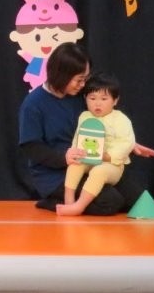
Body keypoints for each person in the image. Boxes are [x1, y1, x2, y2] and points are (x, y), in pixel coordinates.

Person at [18, 42, 154, 215]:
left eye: (85, 78)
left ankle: (77, 201)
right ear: (61, 75)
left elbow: (100, 122)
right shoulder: (33, 104)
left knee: (138, 200)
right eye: (79, 80)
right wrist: (64, 157)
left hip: (90, 163)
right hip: (55, 173)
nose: (83, 84)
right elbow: (31, 147)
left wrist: (128, 143)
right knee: (110, 202)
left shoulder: (79, 96)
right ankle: (53, 201)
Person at [56, 73, 136, 216]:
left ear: (115, 100)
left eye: (104, 99)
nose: (97, 104)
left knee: (99, 171)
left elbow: (127, 143)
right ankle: (69, 200)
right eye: (92, 98)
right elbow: (78, 138)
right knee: (75, 164)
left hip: (112, 165)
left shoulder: (121, 119)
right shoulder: (84, 116)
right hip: (88, 159)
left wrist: (107, 156)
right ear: (85, 99)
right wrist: (75, 151)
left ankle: (79, 206)